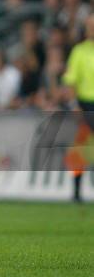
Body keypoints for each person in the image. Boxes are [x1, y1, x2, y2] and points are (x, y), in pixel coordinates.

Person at [63, 14, 94, 202]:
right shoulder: (79, 51)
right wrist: (75, 105)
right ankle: (76, 192)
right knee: (79, 152)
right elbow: (71, 82)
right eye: (91, 25)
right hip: (86, 105)